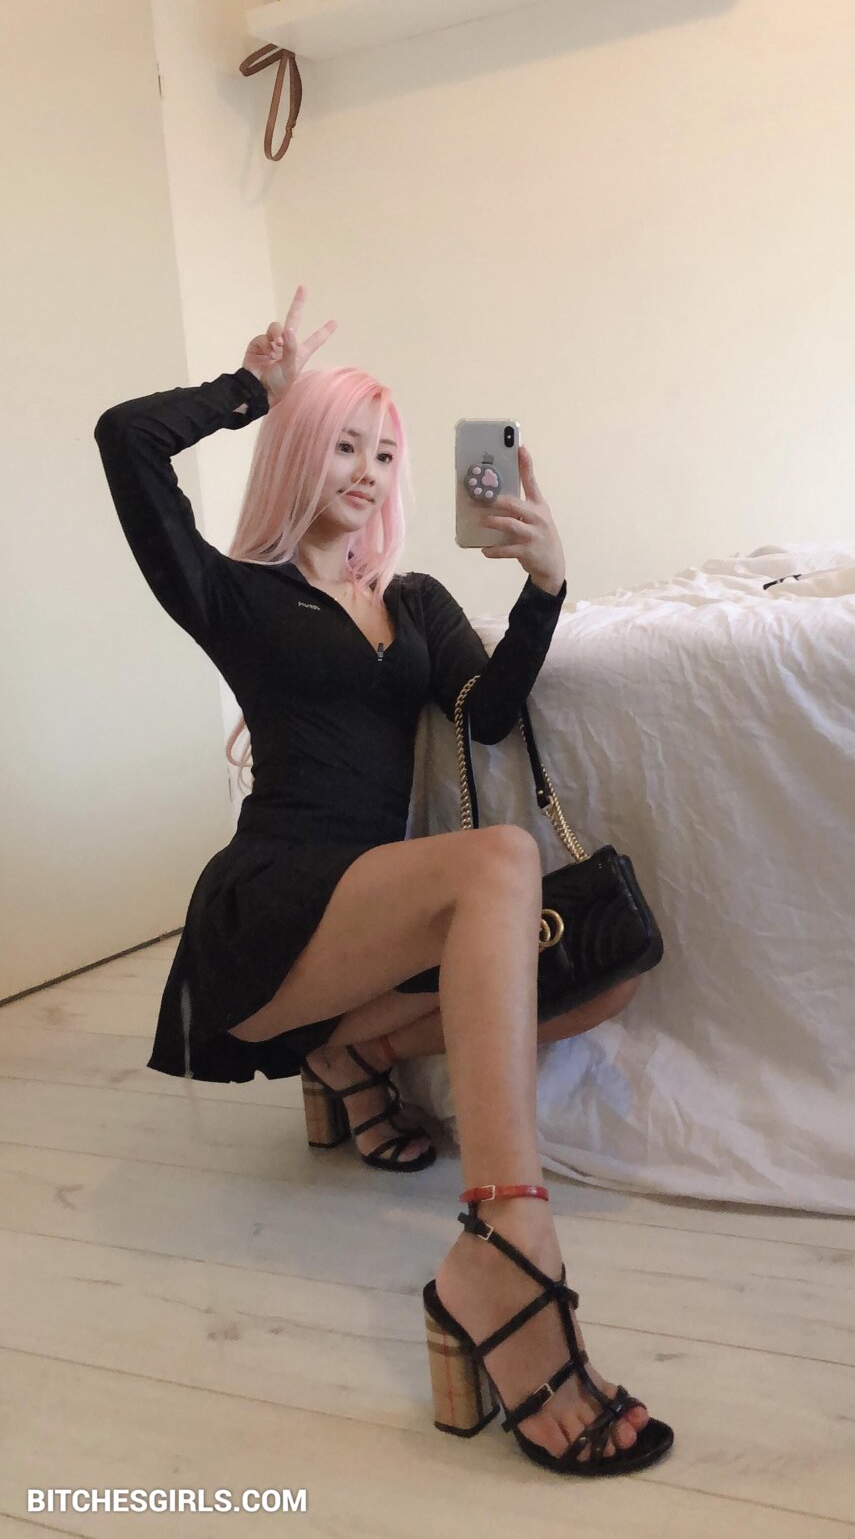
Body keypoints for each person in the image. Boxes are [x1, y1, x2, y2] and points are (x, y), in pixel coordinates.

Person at [94, 284, 673, 1477]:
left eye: (387, 452)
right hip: (267, 908)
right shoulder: (237, 593)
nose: (367, 471)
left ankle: (348, 1053)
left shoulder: (412, 601)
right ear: (299, 449)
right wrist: (252, 387)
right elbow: (125, 438)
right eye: (344, 443)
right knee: (503, 859)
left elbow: (487, 712)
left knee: (600, 973)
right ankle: (507, 1240)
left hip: (377, 907)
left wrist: (546, 586)